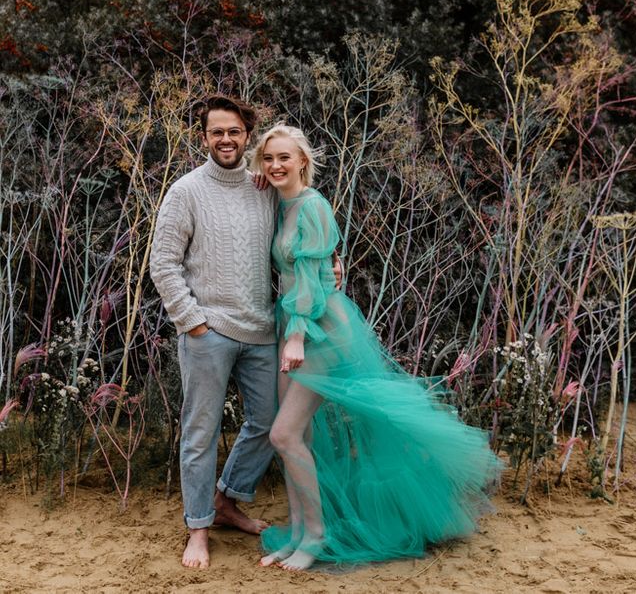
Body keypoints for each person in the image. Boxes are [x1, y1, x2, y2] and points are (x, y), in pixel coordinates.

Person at [253, 123, 503, 572]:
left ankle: (316, 534)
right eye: (268, 158)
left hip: (320, 328)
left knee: (283, 434)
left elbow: (311, 277)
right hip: (294, 322)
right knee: (298, 437)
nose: (275, 165)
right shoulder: (282, 203)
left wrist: (295, 335)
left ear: (303, 161)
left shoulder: (313, 207)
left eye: (284, 157)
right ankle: (297, 532)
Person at [149, 95, 279, 569]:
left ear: (248, 135)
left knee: (270, 422)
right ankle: (198, 528)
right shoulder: (186, 191)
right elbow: (163, 263)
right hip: (209, 331)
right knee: (200, 433)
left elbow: (295, 241)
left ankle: (228, 502)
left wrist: (330, 263)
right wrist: (193, 321)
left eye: (235, 131)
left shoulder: (265, 188)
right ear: (203, 137)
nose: (226, 139)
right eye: (216, 132)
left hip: (263, 330)